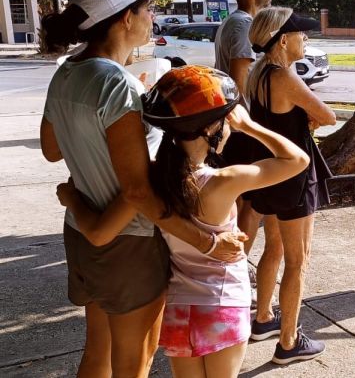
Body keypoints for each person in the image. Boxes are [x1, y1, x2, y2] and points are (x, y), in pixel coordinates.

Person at [38, 0, 244, 377]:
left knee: (98, 354)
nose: (153, 17)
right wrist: (207, 244)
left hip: (83, 231)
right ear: (126, 16)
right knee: (135, 362)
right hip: (130, 244)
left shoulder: (68, 73)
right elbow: (136, 190)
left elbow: (52, 149)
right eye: (149, 8)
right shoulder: (117, 84)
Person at [57, 66, 310, 377]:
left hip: (179, 311)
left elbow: (98, 232)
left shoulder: (152, 181)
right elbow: (298, 160)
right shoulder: (223, 180)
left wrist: (71, 198)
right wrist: (251, 126)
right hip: (223, 305)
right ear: (212, 128)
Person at [245, 7, 336, 364]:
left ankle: (264, 317)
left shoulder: (259, 74)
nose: (306, 38)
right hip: (295, 177)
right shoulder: (284, 76)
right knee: (298, 261)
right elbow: (327, 115)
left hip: (270, 173)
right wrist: (309, 120)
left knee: (275, 249)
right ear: (283, 39)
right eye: (300, 33)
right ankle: (288, 342)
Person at [214, 0, 277, 256]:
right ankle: (238, 264)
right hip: (241, 128)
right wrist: (258, 129)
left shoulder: (234, 21)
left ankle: (234, 263)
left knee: (241, 201)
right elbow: (242, 84)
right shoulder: (242, 24)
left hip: (234, 125)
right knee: (249, 204)